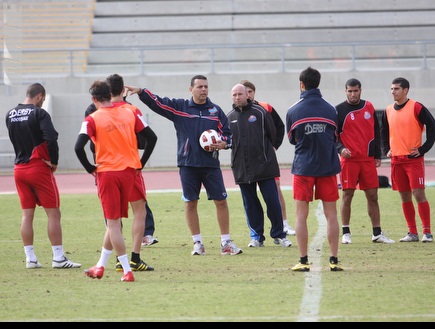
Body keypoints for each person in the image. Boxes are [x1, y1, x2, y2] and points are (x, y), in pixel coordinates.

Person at [125, 75, 242, 256]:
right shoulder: (180, 107)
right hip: (187, 164)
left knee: (221, 201)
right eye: (200, 87)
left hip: (210, 164)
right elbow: (159, 103)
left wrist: (224, 143)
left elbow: (228, 135)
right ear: (191, 90)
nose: (203, 89)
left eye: (206, 87)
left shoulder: (216, 111)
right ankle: (197, 243)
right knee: (190, 203)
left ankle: (226, 242)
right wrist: (141, 92)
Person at [74, 80, 156, 282]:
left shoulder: (92, 118)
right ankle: (100, 266)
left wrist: (90, 168)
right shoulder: (129, 111)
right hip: (129, 172)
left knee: (113, 223)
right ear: (111, 95)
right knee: (115, 222)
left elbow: (78, 147)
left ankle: (127, 269)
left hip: (107, 173)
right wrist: (140, 163)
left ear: (94, 99)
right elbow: (151, 137)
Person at [5, 83, 81, 270]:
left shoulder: (10, 114)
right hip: (38, 167)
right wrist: (53, 161)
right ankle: (58, 257)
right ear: (39, 96)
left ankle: (30, 258)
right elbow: (51, 138)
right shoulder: (40, 113)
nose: (43, 103)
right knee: (53, 213)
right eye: (43, 99)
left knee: (26, 215)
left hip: (18, 169)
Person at [286, 67, 343, 272]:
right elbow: (335, 137)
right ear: (318, 83)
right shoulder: (331, 109)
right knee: (332, 215)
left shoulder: (293, 110)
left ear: (301, 84)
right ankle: (334, 260)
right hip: (328, 167)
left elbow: (293, 140)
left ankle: (303, 261)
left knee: (301, 215)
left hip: (303, 168)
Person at [85, 103, 158, 248]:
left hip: (120, 168)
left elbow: (145, 140)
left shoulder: (129, 110)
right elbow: (91, 144)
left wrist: (89, 168)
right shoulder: (94, 112)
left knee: (136, 209)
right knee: (117, 215)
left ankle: (145, 236)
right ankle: (130, 258)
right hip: (115, 169)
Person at [227, 84, 291, 248]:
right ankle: (256, 237)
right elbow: (227, 141)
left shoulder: (260, 113)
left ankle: (279, 235)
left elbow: (273, 132)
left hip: (264, 165)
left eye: (240, 94)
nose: (237, 97)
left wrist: (271, 149)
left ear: (247, 95)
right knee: (250, 204)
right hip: (242, 168)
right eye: (234, 95)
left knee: (272, 201)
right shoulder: (229, 117)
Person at [336, 78, 395, 244]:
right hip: (349, 161)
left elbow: (376, 130)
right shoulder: (339, 110)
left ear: (360, 90)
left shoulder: (368, 106)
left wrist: (377, 154)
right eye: (350, 91)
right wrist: (340, 149)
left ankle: (377, 233)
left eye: (355, 91)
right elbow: (332, 136)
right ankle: (346, 232)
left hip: (367, 160)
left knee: (373, 196)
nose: (353, 94)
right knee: (347, 195)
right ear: (345, 91)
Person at [381, 77, 435, 243]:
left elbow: (432, 127)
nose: (393, 92)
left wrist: (422, 149)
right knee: (404, 197)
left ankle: (427, 232)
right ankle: (412, 232)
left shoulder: (416, 107)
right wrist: (386, 150)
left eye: (396, 89)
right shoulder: (388, 110)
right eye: (391, 89)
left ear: (405, 90)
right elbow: (384, 131)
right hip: (396, 161)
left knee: (418, 193)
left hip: (413, 160)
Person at [240, 79, 296, 236]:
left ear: (253, 92)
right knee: (250, 198)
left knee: (275, 190)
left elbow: (279, 127)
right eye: (246, 92)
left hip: (267, 161)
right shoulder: (238, 112)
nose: (248, 95)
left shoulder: (265, 108)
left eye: (250, 91)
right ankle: (256, 233)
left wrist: (274, 146)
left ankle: (283, 223)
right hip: (248, 164)